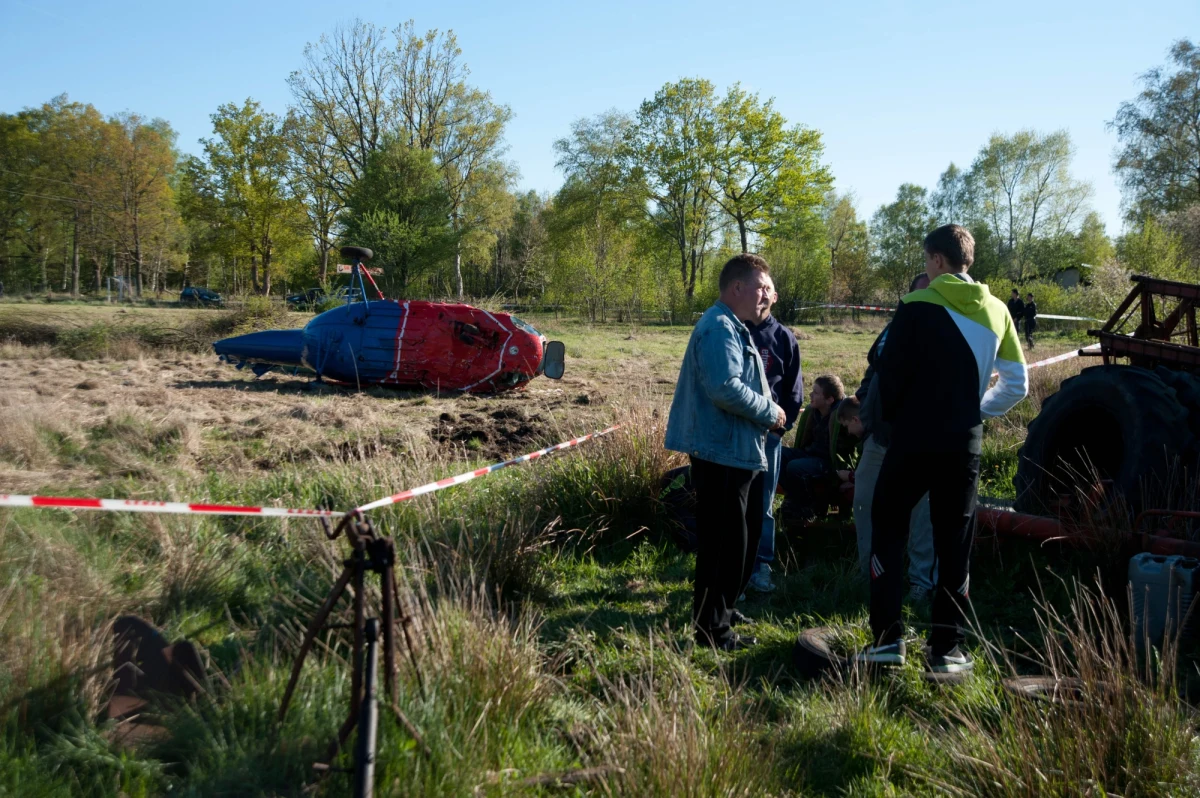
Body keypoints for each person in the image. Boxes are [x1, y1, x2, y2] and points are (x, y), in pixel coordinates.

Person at [858, 224, 1028, 675]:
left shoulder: (915, 304)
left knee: (889, 529)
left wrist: (891, 422)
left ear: (936, 260)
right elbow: (1018, 385)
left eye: (925, 262)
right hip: (963, 443)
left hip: (913, 438)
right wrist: (977, 411)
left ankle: (887, 642)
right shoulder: (998, 311)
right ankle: (946, 651)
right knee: (955, 545)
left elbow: (888, 377)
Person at [664, 253, 785, 651]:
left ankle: (723, 611)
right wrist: (771, 411)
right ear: (737, 288)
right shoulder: (719, 327)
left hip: (736, 450)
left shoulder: (735, 326)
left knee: (740, 540)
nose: (769, 296)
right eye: (762, 287)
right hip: (721, 453)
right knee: (724, 544)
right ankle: (712, 631)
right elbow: (725, 387)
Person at [853, 273, 937, 604]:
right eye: (916, 297)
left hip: (921, 441)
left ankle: (920, 583)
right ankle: (870, 574)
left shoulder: (944, 333)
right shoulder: (893, 328)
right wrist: (866, 407)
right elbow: (872, 372)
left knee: (921, 514)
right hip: (881, 438)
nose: (920, 303)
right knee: (864, 500)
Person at [743, 277, 803, 594]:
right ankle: (732, 565)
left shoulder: (783, 338)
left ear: (775, 297)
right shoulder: (733, 332)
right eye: (758, 287)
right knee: (733, 502)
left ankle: (761, 565)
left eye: (769, 289)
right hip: (733, 435)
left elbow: (794, 392)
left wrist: (781, 430)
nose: (763, 293)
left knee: (763, 503)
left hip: (769, 438)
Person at [779, 375, 856, 523]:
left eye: (816, 392)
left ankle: (807, 508)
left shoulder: (842, 417)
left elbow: (852, 449)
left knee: (795, 467)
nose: (810, 394)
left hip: (828, 463)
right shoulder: (812, 412)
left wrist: (851, 475)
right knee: (779, 454)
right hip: (810, 455)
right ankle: (794, 502)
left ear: (830, 400)